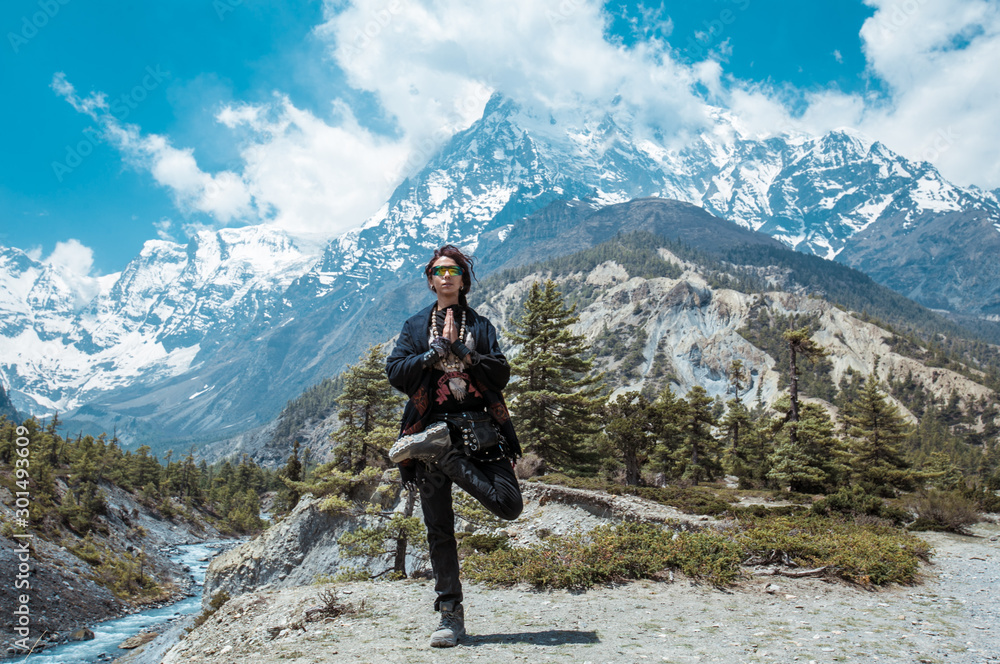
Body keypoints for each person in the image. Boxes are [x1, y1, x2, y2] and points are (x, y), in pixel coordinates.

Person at [385, 244, 523, 648]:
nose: (446, 276)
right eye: (439, 270)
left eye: (454, 270)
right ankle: (449, 614)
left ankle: (442, 454)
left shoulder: (480, 326)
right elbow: (396, 372)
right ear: (430, 280)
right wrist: (431, 355)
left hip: (480, 432)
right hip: (432, 424)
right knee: (439, 528)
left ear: (463, 279)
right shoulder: (414, 326)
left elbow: (501, 375)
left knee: (508, 505)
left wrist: (465, 352)